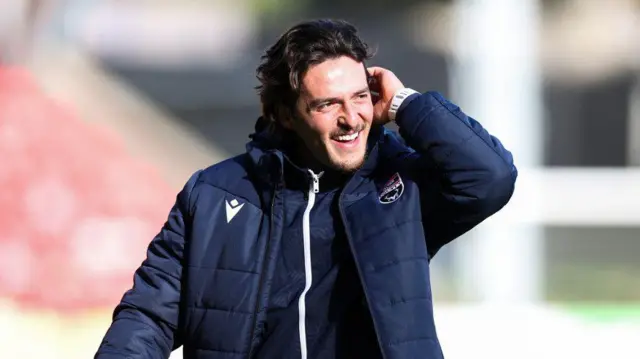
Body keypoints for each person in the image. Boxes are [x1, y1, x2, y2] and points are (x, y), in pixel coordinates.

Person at [95, 19, 517, 359]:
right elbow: (150, 316)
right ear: (285, 113)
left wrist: (406, 103)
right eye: (327, 104)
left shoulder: (400, 185)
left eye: (360, 97)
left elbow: (489, 177)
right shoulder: (212, 194)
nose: (352, 118)